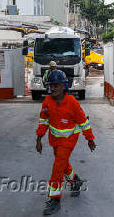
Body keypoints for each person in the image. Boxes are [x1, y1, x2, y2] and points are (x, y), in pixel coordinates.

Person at [36, 70, 96, 215]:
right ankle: (75, 181)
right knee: (62, 165)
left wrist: (90, 139)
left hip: (69, 140)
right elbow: (43, 120)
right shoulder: (47, 101)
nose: (53, 88)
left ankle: (55, 199)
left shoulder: (72, 103)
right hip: (55, 140)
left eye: (56, 85)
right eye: (51, 85)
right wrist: (39, 138)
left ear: (64, 86)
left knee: (57, 168)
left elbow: (83, 122)